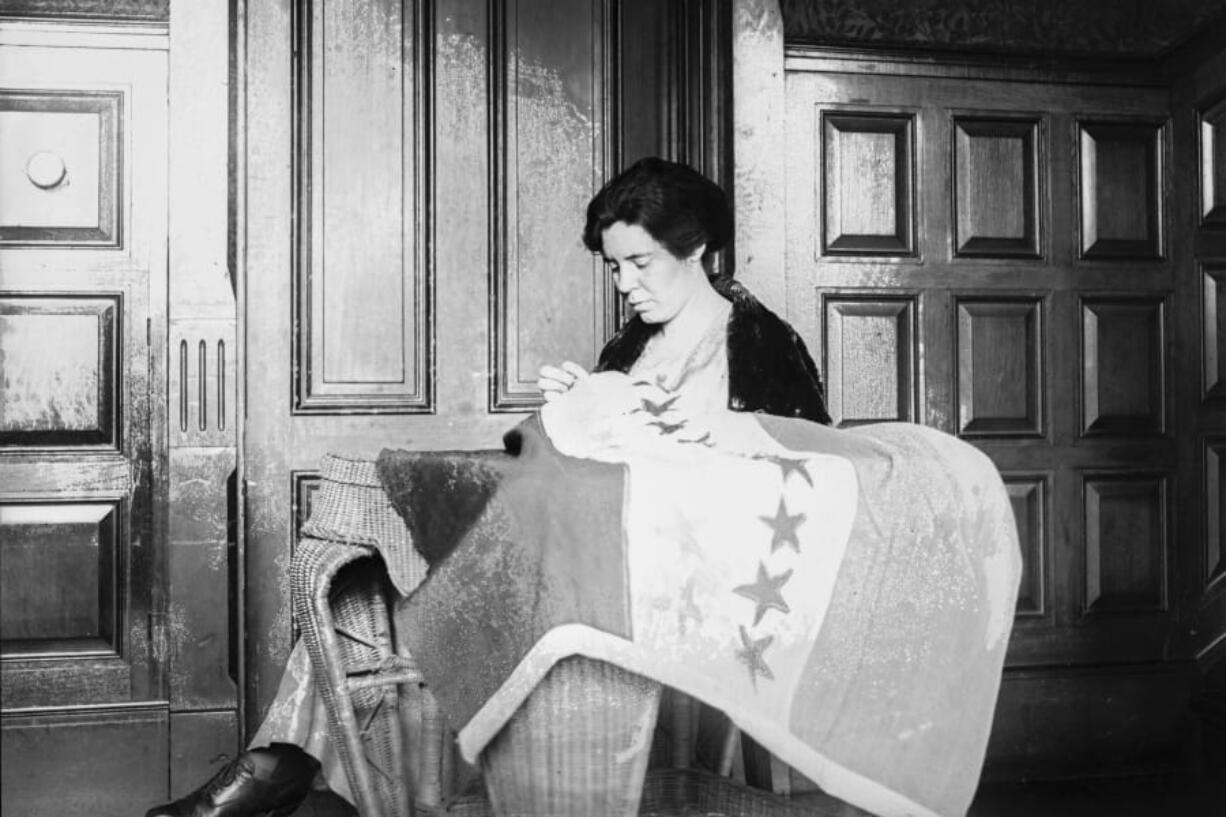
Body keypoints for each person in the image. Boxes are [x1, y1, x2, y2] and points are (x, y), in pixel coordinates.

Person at [147, 157, 830, 817]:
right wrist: (571, 413)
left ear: (698, 247)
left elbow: (794, 486)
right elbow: (570, 476)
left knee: (437, 611)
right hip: (596, 562)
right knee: (380, 599)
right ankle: (291, 765)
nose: (625, 283)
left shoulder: (760, 342)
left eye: (641, 263)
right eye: (615, 266)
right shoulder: (630, 347)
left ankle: (279, 768)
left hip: (696, 581)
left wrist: (639, 421)